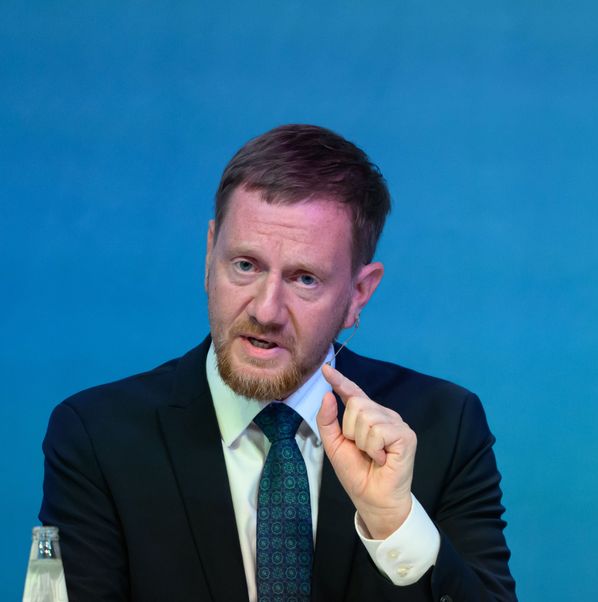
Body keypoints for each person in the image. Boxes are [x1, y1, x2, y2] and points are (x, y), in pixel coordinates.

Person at [40, 124, 516, 601]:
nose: (265, 311)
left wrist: (396, 523)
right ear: (210, 255)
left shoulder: (443, 427)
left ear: (358, 294)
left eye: (305, 279)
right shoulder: (98, 437)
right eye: (245, 265)